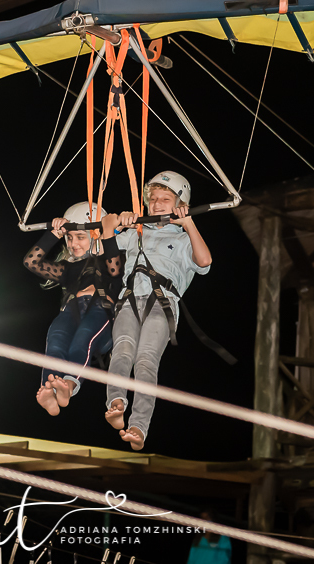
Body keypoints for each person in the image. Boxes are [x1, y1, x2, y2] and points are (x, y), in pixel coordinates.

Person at [99, 171, 212, 450]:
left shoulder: (183, 239)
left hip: (161, 304)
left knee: (146, 360)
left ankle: (139, 425)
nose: (158, 204)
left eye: (165, 199)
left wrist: (189, 224)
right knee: (122, 349)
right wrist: (112, 226)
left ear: (178, 203)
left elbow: (205, 262)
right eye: (153, 199)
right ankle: (116, 402)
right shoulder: (137, 231)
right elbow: (103, 252)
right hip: (128, 300)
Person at [22, 202, 124, 416]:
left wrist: (108, 232)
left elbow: (115, 269)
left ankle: (69, 385)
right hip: (72, 311)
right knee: (55, 340)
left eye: (80, 237)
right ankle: (49, 388)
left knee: (82, 339)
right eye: (70, 238)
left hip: (100, 316)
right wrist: (55, 233)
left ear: (95, 236)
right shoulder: (68, 268)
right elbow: (31, 262)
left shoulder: (109, 261)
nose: (73, 243)